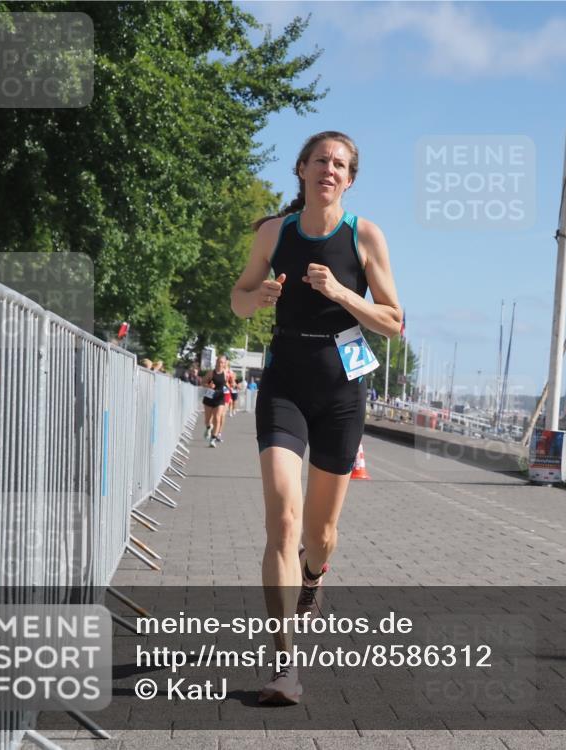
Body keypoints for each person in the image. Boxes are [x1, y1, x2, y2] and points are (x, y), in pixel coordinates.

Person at [230, 131, 402, 706]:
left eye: (341, 164)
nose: (330, 169)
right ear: (301, 168)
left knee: (320, 537)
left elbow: (394, 321)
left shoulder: (364, 236)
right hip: (284, 384)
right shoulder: (273, 233)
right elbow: (239, 295)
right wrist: (258, 300)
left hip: (342, 391)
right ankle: (284, 664)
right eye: (321, 160)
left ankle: (313, 575)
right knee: (282, 521)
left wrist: (342, 294)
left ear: (349, 180)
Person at [200, 355, 231, 447]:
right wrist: (208, 385)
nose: (219, 364)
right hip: (210, 396)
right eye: (218, 361)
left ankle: (213, 439)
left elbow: (228, 384)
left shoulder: (226, 373)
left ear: (224, 364)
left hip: (220, 397)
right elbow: (203, 382)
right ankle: (208, 427)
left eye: (222, 362)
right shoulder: (211, 373)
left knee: (217, 418)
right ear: (216, 362)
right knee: (207, 419)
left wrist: (230, 386)